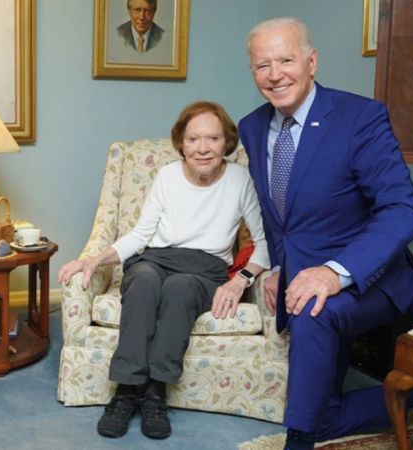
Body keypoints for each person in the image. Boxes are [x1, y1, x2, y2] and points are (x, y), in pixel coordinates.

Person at [240, 17, 413, 449]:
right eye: (262, 65)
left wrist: (334, 273)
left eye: (286, 59)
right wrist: (279, 267)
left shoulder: (359, 118)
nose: (275, 74)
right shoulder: (253, 127)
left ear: (312, 62)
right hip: (302, 276)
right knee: (323, 417)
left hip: (371, 277)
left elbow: (403, 211)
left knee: (313, 308)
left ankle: (296, 443)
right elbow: (280, 216)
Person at [58, 101, 270, 440]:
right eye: (193, 139)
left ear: (226, 143)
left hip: (205, 268)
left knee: (180, 289)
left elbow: (264, 241)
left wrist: (240, 281)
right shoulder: (168, 175)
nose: (203, 148)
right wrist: (94, 260)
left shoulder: (240, 178)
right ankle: (126, 391)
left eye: (213, 139)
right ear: (181, 143)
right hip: (156, 257)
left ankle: (156, 393)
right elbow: (141, 234)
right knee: (141, 280)